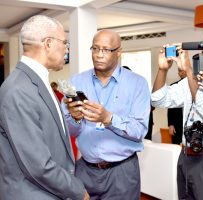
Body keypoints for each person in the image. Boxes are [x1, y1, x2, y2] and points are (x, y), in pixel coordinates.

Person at [0, 15, 89, 200]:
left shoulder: (37, 81)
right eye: (64, 43)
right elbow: (38, 165)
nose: (66, 49)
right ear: (48, 43)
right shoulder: (18, 89)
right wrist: (77, 190)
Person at [62, 29, 150, 200]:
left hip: (122, 172)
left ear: (118, 52)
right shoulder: (76, 82)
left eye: (106, 50)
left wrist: (108, 119)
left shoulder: (137, 83)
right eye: (95, 48)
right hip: (85, 170)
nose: (99, 55)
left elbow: (139, 131)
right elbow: (67, 131)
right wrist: (75, 118)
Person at [151, 40, 203, 199]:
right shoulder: (191, 79)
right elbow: (158, 100)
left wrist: (188, 70)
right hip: (186, 155)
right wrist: (162, 70)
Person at [167, 68, 186, 144]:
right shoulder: (174, 86)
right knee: (176, 146)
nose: (180, 73)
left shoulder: (195, 85)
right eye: (179, 71)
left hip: (191, 123)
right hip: (177, 124)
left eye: (182, 70)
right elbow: (170, 107)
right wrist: (171, 124)